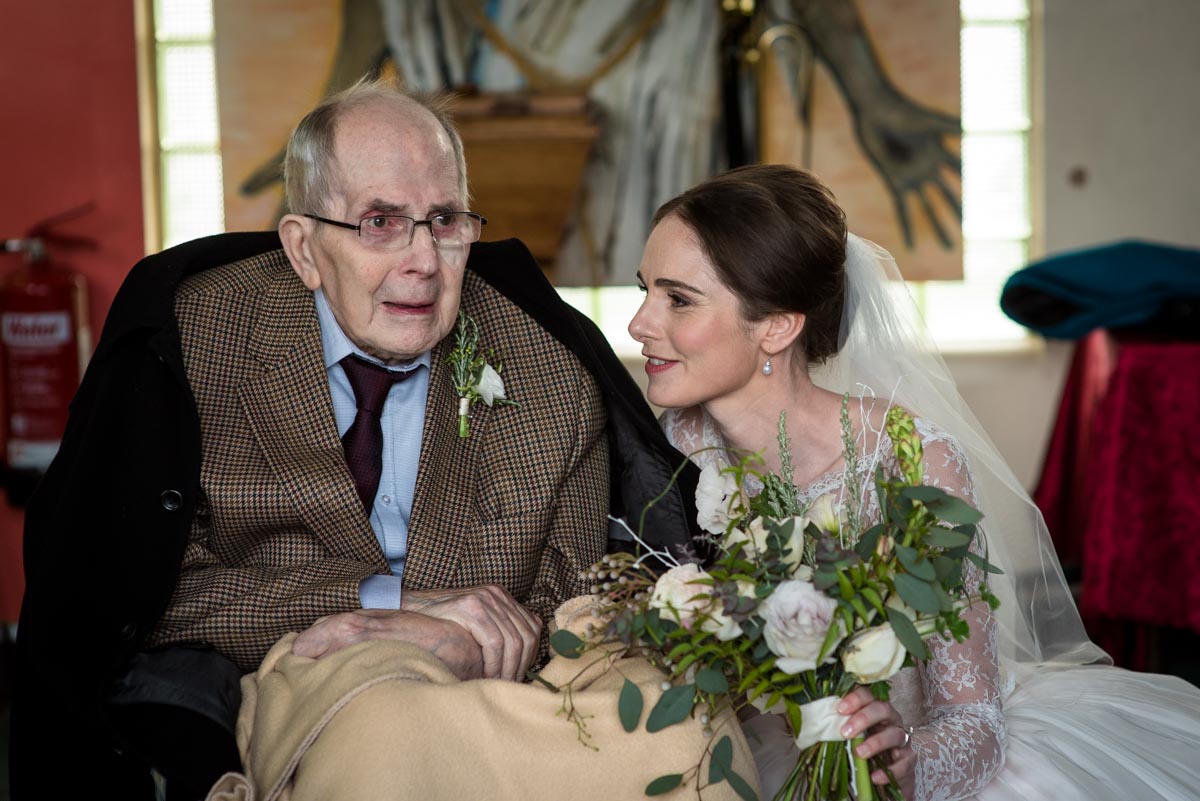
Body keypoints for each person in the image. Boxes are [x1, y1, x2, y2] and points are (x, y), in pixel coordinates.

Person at [11, 78, 699, 800]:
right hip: (267, 680)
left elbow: (576, 587)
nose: (424, 261)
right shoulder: (197, 340)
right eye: (379, 221)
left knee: (683, 737)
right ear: (303, 249)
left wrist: (464, 638)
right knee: (391, 738)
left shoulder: (550, 368)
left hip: (500, 693)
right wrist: (378, 608)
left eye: (444, 220)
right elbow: (136, 590)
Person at [627, 163, 1200, 801]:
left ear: (778, 326)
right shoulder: (661, 454)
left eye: (677, 299)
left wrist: (903, 759)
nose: (639, 324)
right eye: (645, 290)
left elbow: (974, 722)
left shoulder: (911, 463)